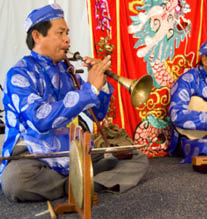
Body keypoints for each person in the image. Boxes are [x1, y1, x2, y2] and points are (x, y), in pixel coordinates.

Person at [1, 4, 148, 202]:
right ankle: (84, 183)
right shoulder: (19, 74)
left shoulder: (67, 70)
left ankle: (75, 183)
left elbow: (98, 113)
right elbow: (40, 120)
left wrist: (100, 84)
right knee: (15, 182)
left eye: (67, 33)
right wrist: (89, 90)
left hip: (70, 150)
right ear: (37, 36)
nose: (67, 39)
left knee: (136, 158)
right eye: (60, 33)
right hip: (32, 153)